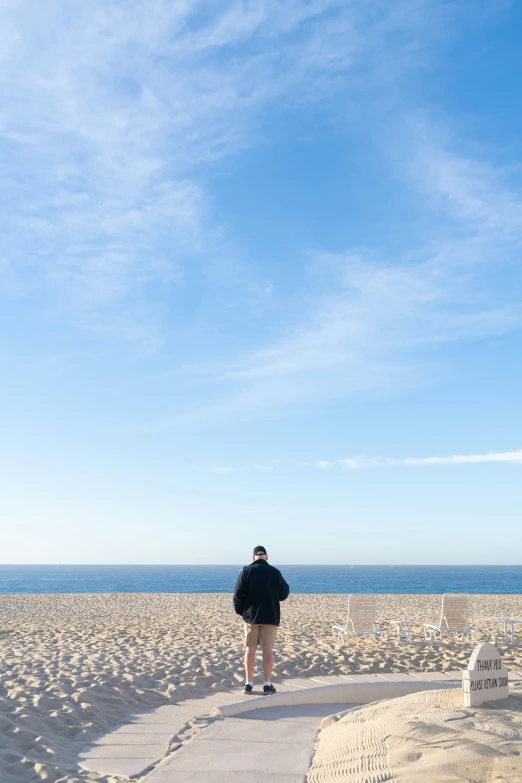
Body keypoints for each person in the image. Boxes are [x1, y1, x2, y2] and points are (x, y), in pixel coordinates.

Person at [233, 545, 290, 694]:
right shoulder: (274, 572)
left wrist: (240, 611)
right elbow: (284, 594)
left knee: (250, 650)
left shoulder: (246, 571)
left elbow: (238, 595)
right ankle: (266, 684)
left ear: (253, 557)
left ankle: (248, 683)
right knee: (267, 651)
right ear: (266, 556)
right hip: (270, 615)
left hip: (251, 616)